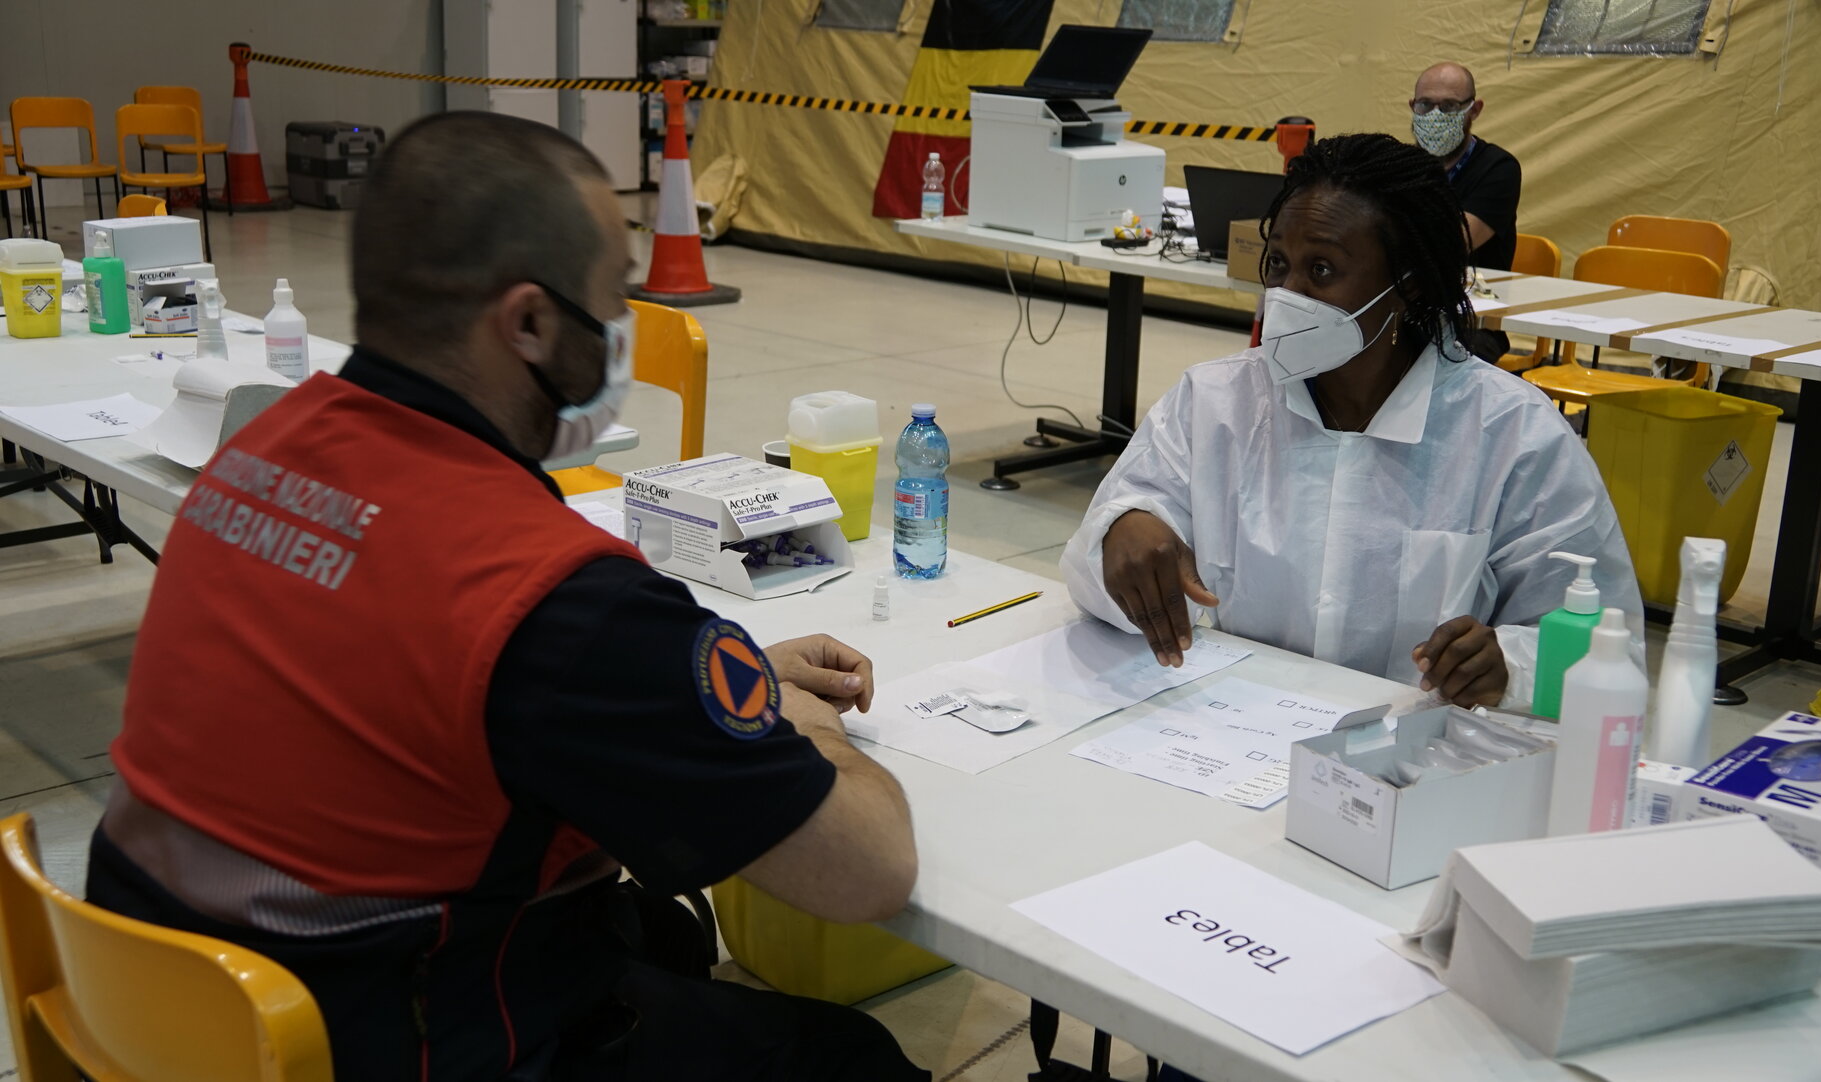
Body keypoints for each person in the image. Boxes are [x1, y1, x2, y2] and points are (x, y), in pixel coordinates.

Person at [86, 112, 928, 1082]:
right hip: (364, 1033)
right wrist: (785, 716)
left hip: (163, 1003)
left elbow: (403, 663)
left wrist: (684, 686)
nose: (619, 327)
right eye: (613, 295)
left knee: (656, 933)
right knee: (851, 1060)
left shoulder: (258, 451)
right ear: (528, 321)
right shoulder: (555, 600)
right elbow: (868, 869)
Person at [1060, 133, 1641, 713]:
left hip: (1411, 759)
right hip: (1232, 729)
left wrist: (1507, 667)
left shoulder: (1513, 433)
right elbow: (1097, 573)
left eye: (1322, 269)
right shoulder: (1214, 400)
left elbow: (1608, 649)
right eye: (1280, 265)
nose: (1289, 294)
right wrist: (1123, 529)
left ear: (1407, 282)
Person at [1410, 61, 1521, 360]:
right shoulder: (1401, 166)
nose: (1434, 116)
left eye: (1448, 106)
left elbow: (1453, 243)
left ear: (1474, 109)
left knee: (1429, 364)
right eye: (1425, 105)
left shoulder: (1498, 168)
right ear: (1412, 106)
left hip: (1472, 322)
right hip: (1406, 308)